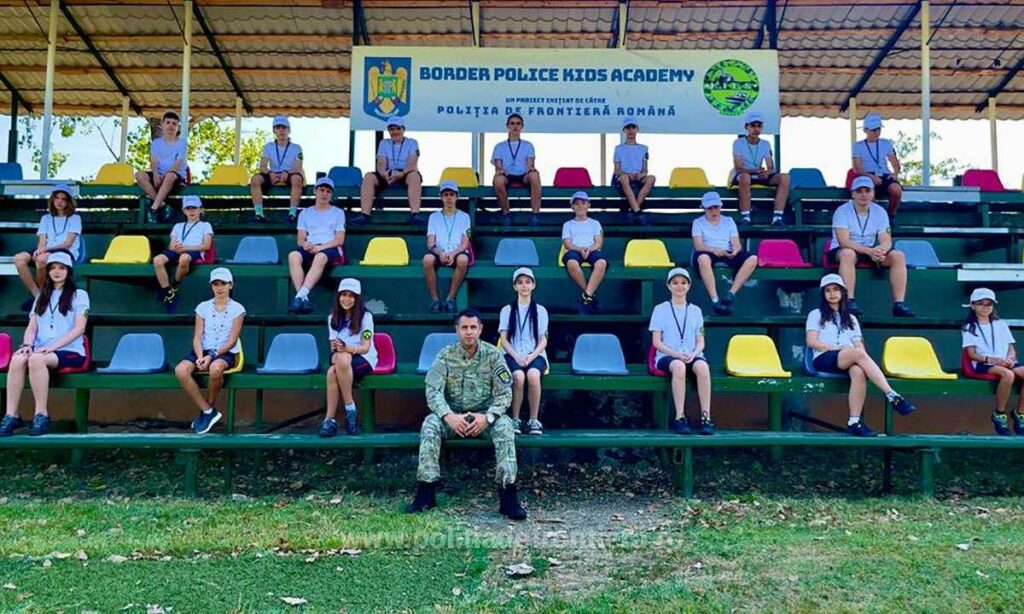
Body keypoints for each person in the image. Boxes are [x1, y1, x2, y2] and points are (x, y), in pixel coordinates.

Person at [406, 309, 526, 520]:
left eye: (473, 327)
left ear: (480, 329)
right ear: (457, 330)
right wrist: (448, 416)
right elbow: (433, 391)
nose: (469, 332)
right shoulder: (445, 355)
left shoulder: (493, 355)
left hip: (484, 417)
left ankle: (508, 497)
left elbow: (504, 393)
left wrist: (488, 418)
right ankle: (426, 493)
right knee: (430, 424)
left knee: (505, 427)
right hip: (453, 417)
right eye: (464, 327)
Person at [805, 274, 916, 436]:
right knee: (858, 354)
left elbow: (858, 345)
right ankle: (892, 395)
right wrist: (837, 347)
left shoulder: (851, 318)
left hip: (848, 357)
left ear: (843, 292)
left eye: (836, 289)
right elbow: (811, 342)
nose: (832, 294)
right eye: (827, 290)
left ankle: (854, 422)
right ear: (823, 294)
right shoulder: (815, 314)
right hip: (824, 357)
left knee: (858, 371)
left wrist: (853, 353)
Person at [0, 252, 89, 437]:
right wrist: (27, 344)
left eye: (62, 268)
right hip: (41, 350)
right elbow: (32, 327)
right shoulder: (41, 297)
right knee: (17, 359)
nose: (57, 272)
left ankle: (41, 414)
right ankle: (11, 415)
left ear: (69, 271)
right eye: (52, 268)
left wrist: (53, 347)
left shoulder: (79, 295)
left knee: (36, 360)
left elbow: (79, 328)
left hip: (70, 351)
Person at [826, 175, 914, 317]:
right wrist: (870, 251)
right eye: (859, 191)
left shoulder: (880, 212)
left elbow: (886, 240)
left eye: (867, 191)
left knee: (898, 256)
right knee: (848, 254)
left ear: (873, 193)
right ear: (853, 194)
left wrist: (881, 250)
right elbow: (844, 241)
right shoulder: (842, 211)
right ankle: (849, 300)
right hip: (844, 250)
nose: (863, 194)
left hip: (870, 250)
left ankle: (899, 303)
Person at [173, 267, 245, 435]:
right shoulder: (202, 307)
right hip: (201, 350)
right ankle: (207, 410)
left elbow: (232, 340)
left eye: (223, 284)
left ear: (231, 285)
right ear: (211, 286)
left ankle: (209, 406)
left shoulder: (238, 309)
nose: (219, 288)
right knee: (181, 370)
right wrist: (200, 356)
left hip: (224, 352)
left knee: (215, 368)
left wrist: (212, 356)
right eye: (215, 284)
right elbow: (197, 336)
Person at [649, 268, 714, 435]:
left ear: (689, 286)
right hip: (667, 356)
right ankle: (680, 417)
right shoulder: (660, 309)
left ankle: (706, 417)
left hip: (691, 354)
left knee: (703, 367)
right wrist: (676, 354)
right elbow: (656, 342)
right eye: (675, 283)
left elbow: (701, 341)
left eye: (684, 283)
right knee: (678, 366)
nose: (680, 286)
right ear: (668, 286)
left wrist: (693, 353)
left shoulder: (696, 311)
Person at [318, 278, 378, 438]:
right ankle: (349, 410)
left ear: (357, 299)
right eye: (343, 294)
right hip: (340, 357)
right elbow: (332, 347)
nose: (347, 299)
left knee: (333, 371)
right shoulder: (332, 318)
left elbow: (366, 347)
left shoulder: (366, 317)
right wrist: (338, 347)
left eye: (351, 296)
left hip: (364, 357)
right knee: (341, 360)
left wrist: (348, 349)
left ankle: (331, 419)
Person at [960, 288, 1024, 436]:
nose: (985, 307)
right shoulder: (969, 327)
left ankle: (1020, 413)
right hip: (984, 363)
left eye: (989, 304)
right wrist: (992, 359)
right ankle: (999, 413)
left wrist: (1011, 359)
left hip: (1004, 361)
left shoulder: (1001, 324)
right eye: (981, 303)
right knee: (1008, 375)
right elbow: (972, 354)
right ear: (973, 306)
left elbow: (1010, 348)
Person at [13, 184, 83, 311]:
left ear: (69, 201)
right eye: (57, 198)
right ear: (52, 199)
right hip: (47, 249)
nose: (60, 202)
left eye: (63, 199)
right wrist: (40, 250)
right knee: (19, 259)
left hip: (65, 251)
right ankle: (38, 295)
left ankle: (45, 295)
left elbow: (68, 243)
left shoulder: (75, 218)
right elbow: (42, 240)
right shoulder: (45, 218)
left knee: (41, 260)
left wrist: (45, 251)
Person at [498, 267, 549, 436]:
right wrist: (517, 356)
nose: (524, 286)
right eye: (520, 282)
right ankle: (515, 418)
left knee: (533, 375)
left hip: (535, 354)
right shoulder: (507, 310)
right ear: (515, 286)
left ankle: (534, 419)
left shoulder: (540, 310)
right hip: (512, 354)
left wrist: (531, 356)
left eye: (528, 282)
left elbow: (543, 340)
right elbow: (504, 340)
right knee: (518, 376)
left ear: (534, 285)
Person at [691, 191, 758, 316]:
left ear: (720, 207)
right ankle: (715, 300)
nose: (713, 211)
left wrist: (735, 250)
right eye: (710, 208)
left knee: (753, 259)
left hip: (727, 251)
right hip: (707, 251)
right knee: (703, 258)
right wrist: (713, 250)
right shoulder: (698, 222)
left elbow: (736, 242)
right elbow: (698, 245)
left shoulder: (729, 221)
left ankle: (731, 294)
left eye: (716, 207)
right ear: (704, 208)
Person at [287, 177, 346, 314]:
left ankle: (299, 297)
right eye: (322, 190)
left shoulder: (338, 212)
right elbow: (300, 239)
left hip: (330, 248)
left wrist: (320, 247)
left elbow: (339, 240)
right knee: (293, 256)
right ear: (315, 191)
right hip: (310, 246)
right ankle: (303, 297)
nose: (324, 193)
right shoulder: (305, 213)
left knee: (320, 257)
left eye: (328, 191)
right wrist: (305, 244)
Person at [353, 117, 423, 225]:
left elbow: (412, 162)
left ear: (403, 129)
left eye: (398, 129)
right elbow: (381, 162)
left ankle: (415, 214)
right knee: (368, 177)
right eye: (392, 129)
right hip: (388, 172)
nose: (395, 132)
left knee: (414, 176)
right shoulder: (384, 143)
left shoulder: (412, 142)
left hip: (405, 172)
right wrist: (383, 173)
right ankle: (365, 214)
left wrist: (402, 173)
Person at [152, 195, 213, 313]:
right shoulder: (178, 226)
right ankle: (168, 291)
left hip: (193, 251)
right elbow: (171, 245)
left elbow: (206, 245)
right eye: (188, 208)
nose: (191, 211)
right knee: (157, 260)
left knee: (184, 258)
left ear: (200, 209)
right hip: (177, 250)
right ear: (184, 210)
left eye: (194, 208)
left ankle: (175, 285)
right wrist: (175, 248)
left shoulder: (205, 225)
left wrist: (186, 248)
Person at [730, 111, 789, 226]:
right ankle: (745, 217)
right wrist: (755, 170)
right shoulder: (738, 143)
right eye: (753, 125)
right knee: (745, 177)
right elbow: (739, 168)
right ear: (746, 127)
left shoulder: (765, 144)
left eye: (759, 126)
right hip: (744, 175)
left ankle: (777, 218)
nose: (756, 129)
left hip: (759, 175)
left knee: (785, 178)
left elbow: (771, 167)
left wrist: (767, 172)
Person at [423, 181, 472, 313]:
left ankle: (450, 298)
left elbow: (465, 243)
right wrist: (440, 253)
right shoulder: (434, 217)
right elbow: (430, 242)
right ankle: (435, 299)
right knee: (427, 260)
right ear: (441, 197)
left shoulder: (465, 217)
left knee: (463, 260)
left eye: (451, 194)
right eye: (446, 195)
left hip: (456, 252)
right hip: (439, 252)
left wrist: (453, 254)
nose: (449, 198)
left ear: (457, 197)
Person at [136, 110, 188, 223]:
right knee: (139, 175)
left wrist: (165, 175)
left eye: (174, 124)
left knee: (170, 175)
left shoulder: (182, 143)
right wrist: (155, 174)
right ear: (162, 125)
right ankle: (163, 205)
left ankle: (154, 209)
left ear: (178, 127)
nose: (171, 126)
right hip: (158, 174)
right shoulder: (156, 143)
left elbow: (178, 163)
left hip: (174, 176)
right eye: (168, 122)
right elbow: (154, 161)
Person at [250, 115, 304, 223]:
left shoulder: (296, 148)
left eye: (284, 127)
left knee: (297, 179)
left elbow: (298, 167)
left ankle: (292, 213)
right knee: (255, 179)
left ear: (289, 130)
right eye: (278, 127)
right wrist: (270, 173)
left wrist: (287, 172)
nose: (281, 130)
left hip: (289, 173)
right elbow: (262, 166)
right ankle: (259, 213)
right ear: (274, 130)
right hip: (272, 173)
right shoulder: (268, 147)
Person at [561, 191, 608, 314]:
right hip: (575, 250)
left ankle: (586, 297)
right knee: (571, 263)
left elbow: (599, 242)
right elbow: (567, 243)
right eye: (576, 204)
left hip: (592, 250)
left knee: (602, 263)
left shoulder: (595, 223)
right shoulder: (568, 224)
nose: (580, 206)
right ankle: (591, 295)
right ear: (572, 206)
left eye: (583, 203)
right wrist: (580, 249)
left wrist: (589, 249)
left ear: (588, 205)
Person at [492, 113, 542, 226]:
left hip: (523, 175)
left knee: (535, 175)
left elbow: (530, 163)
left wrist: (531, 169)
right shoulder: (499, 146)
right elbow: (498, 167)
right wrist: (500, 170)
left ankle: (535, 214)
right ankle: (506, 214)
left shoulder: (528, 145)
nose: (515, 126)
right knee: (498, 180)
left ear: (522, 127)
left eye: (518, 124)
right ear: (508, 126)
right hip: (507, 175)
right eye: (512, 123)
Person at [852, 113, 902, 219]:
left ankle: (890, 216)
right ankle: (875, 218)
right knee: (867, 194)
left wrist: (895, 173)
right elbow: (857, 168)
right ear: (865, 130)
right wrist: (871, 177)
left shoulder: (886, 143)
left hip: (884, 174)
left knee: (896, 189)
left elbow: (895, 163)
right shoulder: (858, 146)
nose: (877, 132)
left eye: (878, 129)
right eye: (873, 130)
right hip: (867, 175)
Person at [613, 117, 654, 225]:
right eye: (628, 127)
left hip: (637, 176)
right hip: (624, 177)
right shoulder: (619, 148)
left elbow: (645, 169)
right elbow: (617, 170)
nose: (631, 130)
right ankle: (637, 211)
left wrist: (641, 175)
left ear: (637, 129)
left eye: (633, 127)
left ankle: (634, 210)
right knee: (624, 178)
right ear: (624, 130)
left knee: (651, 178)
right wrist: (627, 174)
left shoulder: (644, 148)